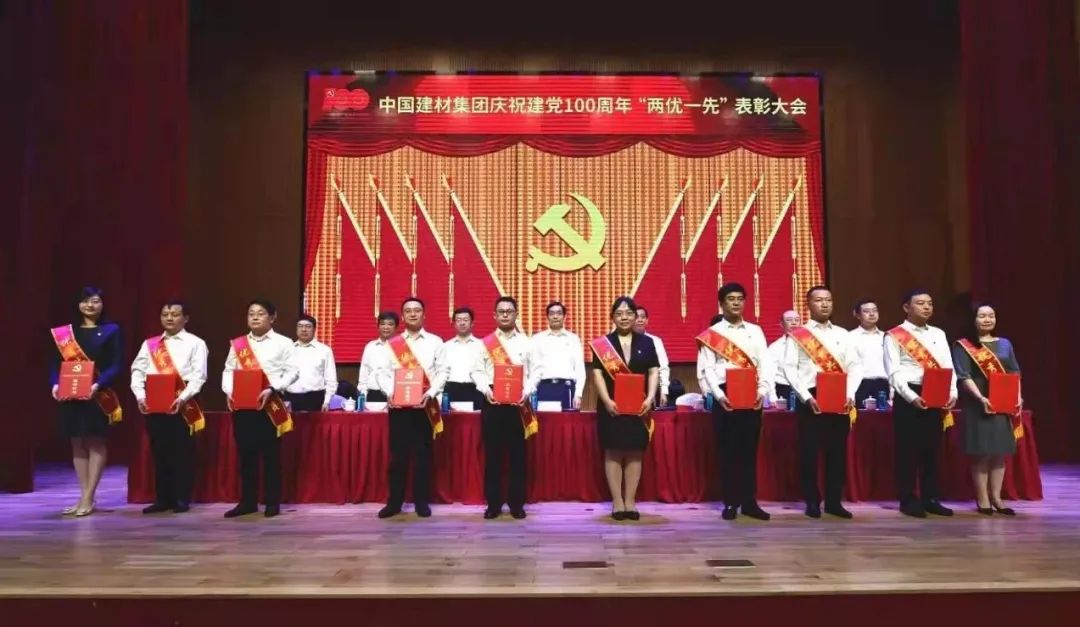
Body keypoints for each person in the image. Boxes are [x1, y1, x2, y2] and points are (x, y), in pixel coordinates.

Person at [782, 287, 861, 519]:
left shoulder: (843, 334)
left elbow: (855, 366)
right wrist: (806, 397)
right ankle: (812, 501)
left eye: (828, 300)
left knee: (837, 452)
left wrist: (850, 393)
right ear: (808, 304)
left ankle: (834, 502)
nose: (824, 304)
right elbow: (790, 368)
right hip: (810, 397)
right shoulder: (798, 335)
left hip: (840, 396)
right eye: (818, 300)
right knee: (810, 452)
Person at [696, 283, 773, 521]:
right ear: (721, 303)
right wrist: (719, 395)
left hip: (752, 393)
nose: (736, 302)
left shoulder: (756, 331)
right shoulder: (713, 333)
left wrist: (762, 391)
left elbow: (765, 363)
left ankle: (749, 502)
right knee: (728, 451)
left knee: (749, 450)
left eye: (740, 298)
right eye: (731, 299)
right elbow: (707, 369)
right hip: (725, 394)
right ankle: (730, 502)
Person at [49, 286, 123, 517]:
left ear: (103, 304)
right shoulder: (66, 334)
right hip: (70, 393)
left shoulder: (111, 330)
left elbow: (116, 364)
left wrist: (97, 384)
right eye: (85, 301)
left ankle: (89, 497)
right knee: (77, 443)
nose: (90, 305)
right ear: (78, 304)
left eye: (95, 301)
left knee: (95, 441)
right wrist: (55, 384)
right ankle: (82, 496)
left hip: (97, 395)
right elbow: (54, 363)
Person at [221, 299, 298, 518]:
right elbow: (228, 370)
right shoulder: (238, 344)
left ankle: (272, 502)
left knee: (271, 456)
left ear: (272, 317)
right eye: (251, 313)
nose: (255, 317)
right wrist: (229, 391)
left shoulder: (284, 343)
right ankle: (248, 502)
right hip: (243, 404)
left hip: (270, 404)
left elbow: (293, 372)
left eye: (261, 313)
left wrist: (273, 388)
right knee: (246, 456)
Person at [884, 290, 957, 518]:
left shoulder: (938, 333)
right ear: (907, 307)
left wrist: (952, 391)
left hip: (936, 392)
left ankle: (931, 498)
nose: (926, 307)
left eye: (929, 303)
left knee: (932, 450)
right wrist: (911, 396)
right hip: (909, 395)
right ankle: (908, 499)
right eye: (920, 303)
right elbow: (893, 372)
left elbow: (948, 365)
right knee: (908, 451)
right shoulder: (894, 335)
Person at [130, 300, 208, 514]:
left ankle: (181, 498)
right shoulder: (151, 344)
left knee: (182, 451)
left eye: (175, 314)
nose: (169, 318)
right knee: (159, 451)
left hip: (184, 403)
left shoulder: (196, 343)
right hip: (154, 402)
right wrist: (140, 395)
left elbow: (199, 376)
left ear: (186, 318)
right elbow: (137, 370)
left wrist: (182, 398)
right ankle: (162, 499)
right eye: (165, 314)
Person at [376, 297, 447, 519]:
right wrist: (390, 392)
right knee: (398, 457)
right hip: (399, 408)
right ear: (403, 316)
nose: (413, 314)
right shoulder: (392, 344)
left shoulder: (436, 342)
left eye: (417, 310)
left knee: (423, 456)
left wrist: (430, 393)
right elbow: (381, 373)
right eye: (408, 311)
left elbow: (443, 371)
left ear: (424, 315)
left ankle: (421, 502)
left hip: (424, 407)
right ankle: (394, 502)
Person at [591, 296, 659, 521]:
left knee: (634, 452)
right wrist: (606, 400)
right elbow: (597, 374)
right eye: (619, 313)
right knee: (613, 451)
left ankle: (630, 501)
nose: (624, 317)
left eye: (629, 313)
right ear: (612, 317)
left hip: (639, 406)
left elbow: (654, 371)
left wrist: (650, 397)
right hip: (611, 406)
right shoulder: (603, 344)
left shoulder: (647, 343)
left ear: (635, 316)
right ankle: (617, 502)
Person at [951, 304, 1022, 516]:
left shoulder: (1005, 343)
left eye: (991, 315)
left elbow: (1014, 372)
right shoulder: (964, 346)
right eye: (982, 316)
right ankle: (982, 499)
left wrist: (1018, 396)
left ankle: (997, 499)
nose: (987, 319)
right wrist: (981, 398)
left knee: (999, 452)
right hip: (978, 403)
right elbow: (963, 376)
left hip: (1003, 403)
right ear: (973, 319)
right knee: (981, 453)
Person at [474, 297, 535, 519]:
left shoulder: (528, 343)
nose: (505, 314)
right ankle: (493, 503)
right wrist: (485, 390)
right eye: (501, 311)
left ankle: (517, 504)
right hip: (493, 402)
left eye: (509, 311)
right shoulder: (485, 343)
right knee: (493, 455)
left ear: (516, 314)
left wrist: (527, 391)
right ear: (495, 315)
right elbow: (476, 371)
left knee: (518, 455)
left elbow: (536, 370)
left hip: (519, 402)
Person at [529, 301, 586, 410]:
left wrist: (578, 394)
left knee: (567, 421)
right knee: (543, 421)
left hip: (567, 388)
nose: (555, 316)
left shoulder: (573, 339)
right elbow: (533, 368)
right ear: (547, 316)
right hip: (543, 388)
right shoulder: (537, 339)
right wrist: (531, 390)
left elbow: (580, 369)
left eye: (559, 313)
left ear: (564, 316)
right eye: (552, 313)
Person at [284, 314, 337, 411]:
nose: (304, 329)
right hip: (290, 398)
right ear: (296, 329)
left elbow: (331, 379)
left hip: (315, 398)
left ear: (314, 329)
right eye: (300, 326)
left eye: (308, 326)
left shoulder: (324, 350)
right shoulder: (287, 350)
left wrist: (327, 401)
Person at [441, 307, 486, 407]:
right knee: (450, 417)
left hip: (475, 390)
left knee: (477, 417)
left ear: (472, 323)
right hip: (451, 389)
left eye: (465, 320)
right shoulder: (445, 346)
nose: (462, 323)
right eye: (458, 320)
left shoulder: (482, 345)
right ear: (453, 323)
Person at [851, 299, 891, 405]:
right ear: (857, 315)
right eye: (866, 311)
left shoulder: (886, 336)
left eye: (875, 310)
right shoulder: (850, 337)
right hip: (860, 384)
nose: (872, 314)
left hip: (883, 385)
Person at [357, 311, 400, 403]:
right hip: (372, 393)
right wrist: (363, 393)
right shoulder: (370, 346)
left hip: (395, 394)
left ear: (396, 327)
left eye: (390, 324)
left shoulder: (401, 347)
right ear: (378, 326)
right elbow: (364, 371)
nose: (386, 327)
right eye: (383, 324)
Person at [633, 305, 671, 407]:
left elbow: (663, 367)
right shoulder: (625, 341)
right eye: (636, 317)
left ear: (647, 321)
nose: (640, 320)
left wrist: (664, 391)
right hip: (630, 388)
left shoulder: (655, 341)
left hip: (651, 389)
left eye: (643, 317)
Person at [766, 310, 801, 406]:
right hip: (784, 390)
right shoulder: (775, 347)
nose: (794, 323)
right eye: (789, 320)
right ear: (782, 324)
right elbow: (769, 374)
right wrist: (772, 396)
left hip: (806, 389)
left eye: (797, 320)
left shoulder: (809, 344)